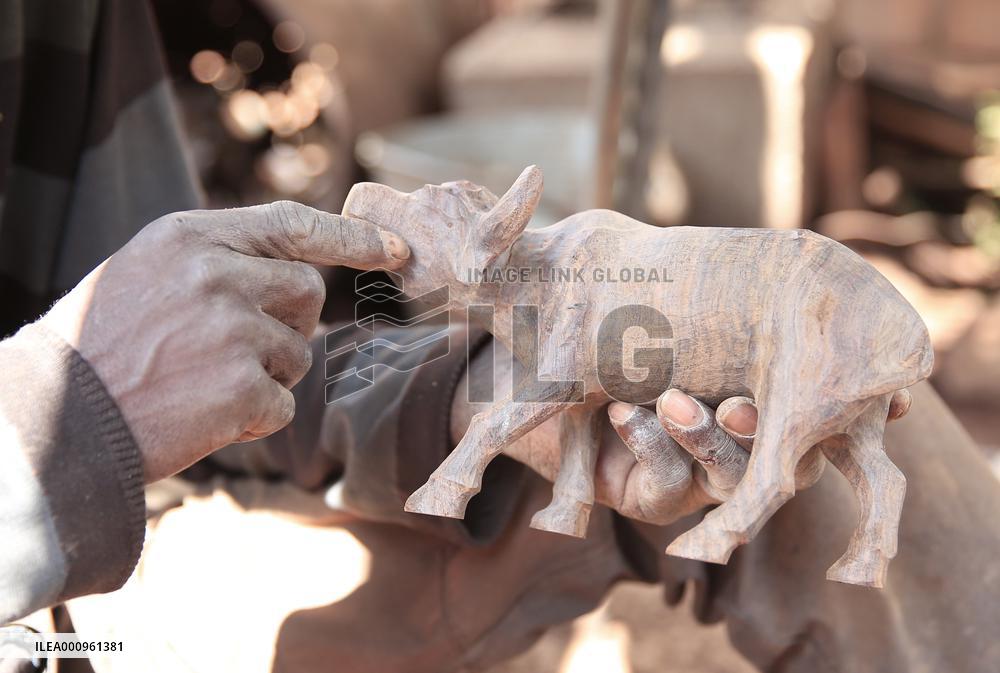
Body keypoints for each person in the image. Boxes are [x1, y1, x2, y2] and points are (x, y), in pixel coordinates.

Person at [2, 3, 999, 673]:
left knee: (812, 447)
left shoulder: (59, 21)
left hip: (119, 520)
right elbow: (109, 396)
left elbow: (192, 389)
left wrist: (455, 395)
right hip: (53, 591)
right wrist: (69, 415)